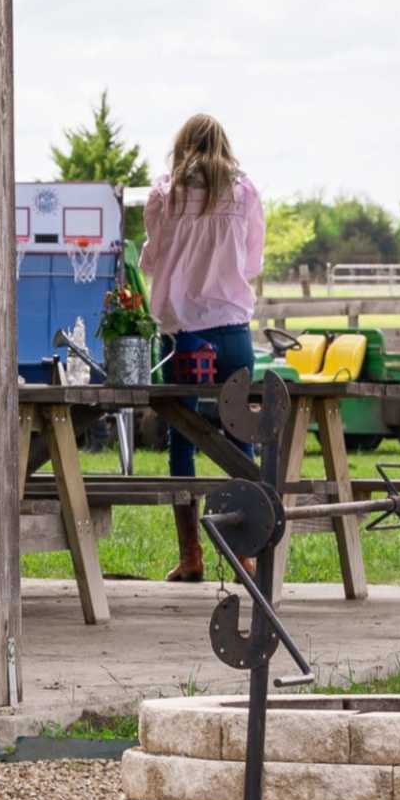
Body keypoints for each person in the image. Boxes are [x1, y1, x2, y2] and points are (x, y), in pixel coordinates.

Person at [141, 112, 267, 583]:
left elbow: (152, 259)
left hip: (182, 333)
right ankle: (245, 554)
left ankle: (190, 554)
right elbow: (252, 261)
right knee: (239, 436)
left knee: (181, 438)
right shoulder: (245, 192)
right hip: (232, 328)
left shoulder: (163, 194)